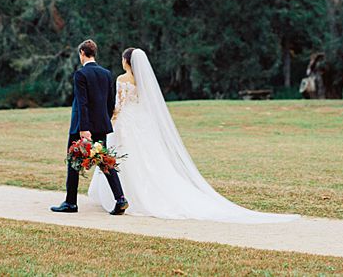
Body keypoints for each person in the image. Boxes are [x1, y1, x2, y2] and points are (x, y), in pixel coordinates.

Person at [88, 48, 298, 223]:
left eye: (123, 59)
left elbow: (120, 104)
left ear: (126, 61)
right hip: (141, 121)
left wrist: (112, 118)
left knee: (124, 156)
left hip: (126, 120)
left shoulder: (122, 79)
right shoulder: (143, 82)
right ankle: (134, 194)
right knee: (147, 157)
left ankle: (124, 196)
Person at [50, 39, 129, 215]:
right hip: (101, 125)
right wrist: (103, 121)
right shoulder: (106, 73)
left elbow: (82, 103)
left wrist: (84, 129)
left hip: (82, 127)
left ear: (82, 54)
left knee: (73, 161)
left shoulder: (81, 75)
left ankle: (71, 202)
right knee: (104, 161)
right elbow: (110, 102)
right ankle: (121, 199)